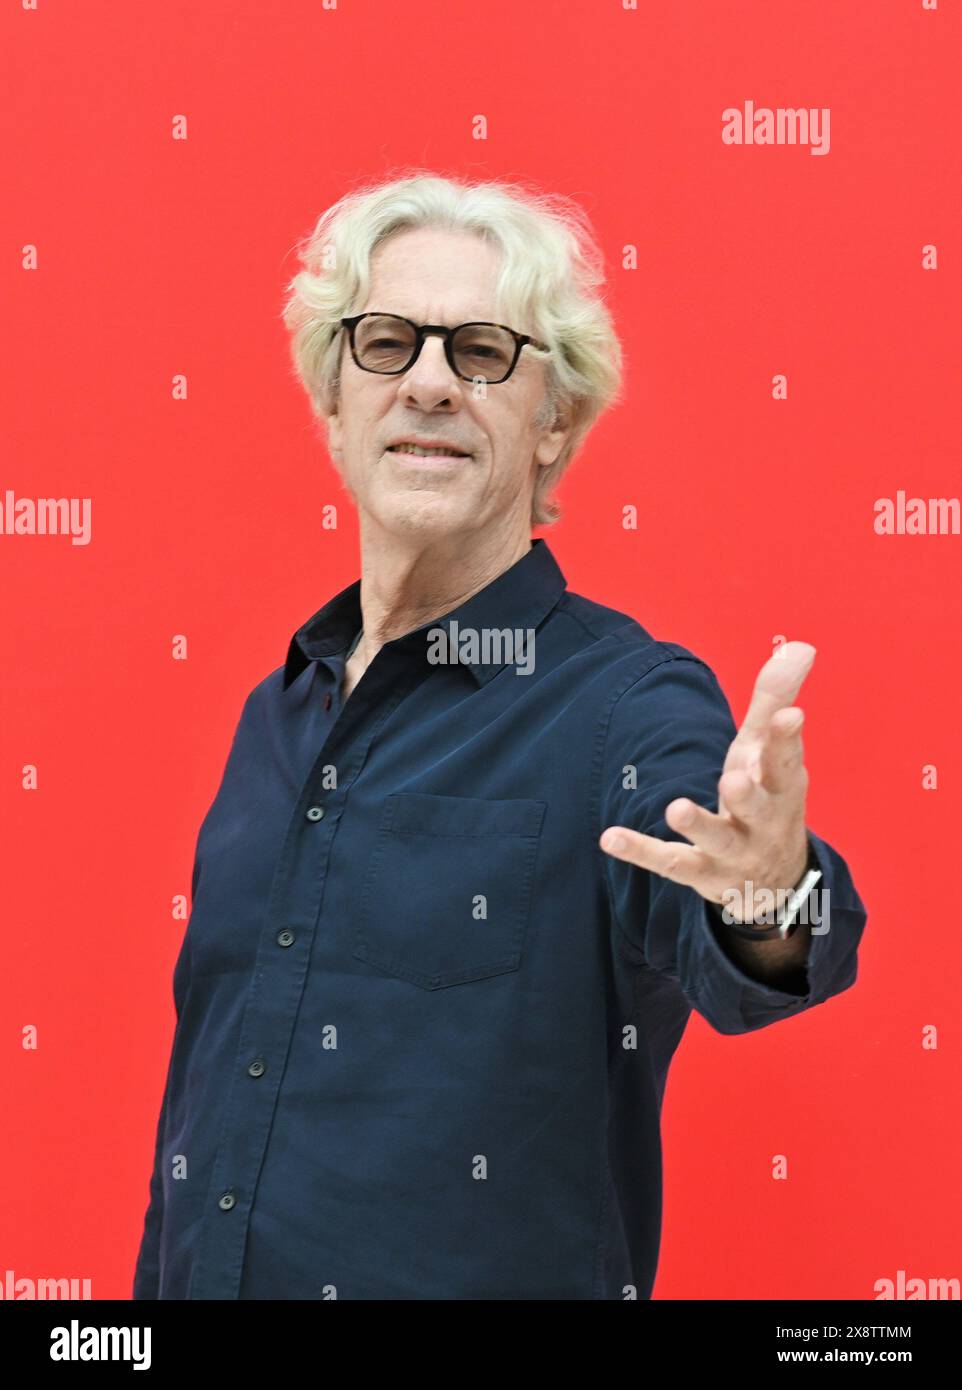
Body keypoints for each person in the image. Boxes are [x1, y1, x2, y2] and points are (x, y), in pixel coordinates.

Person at [132, 172, 867, 1301]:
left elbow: (764, 943)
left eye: (481, 351)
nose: (428, 382)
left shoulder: (626, 703)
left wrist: (769, 895)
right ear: (334, 398)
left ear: (552, 419)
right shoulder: (276, 712)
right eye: (385, 342)